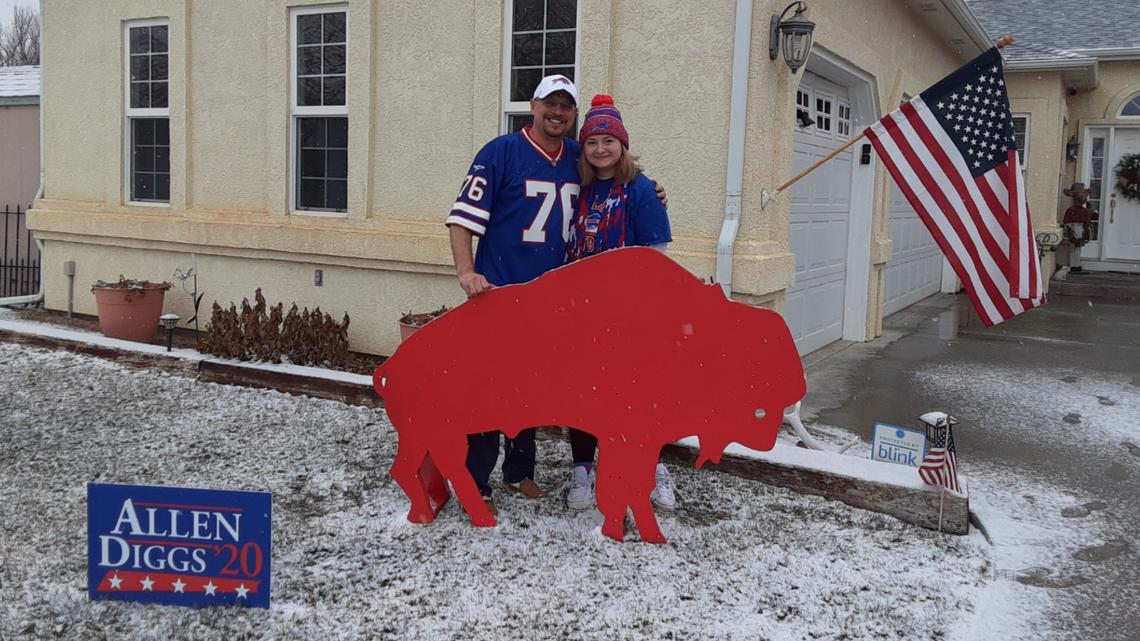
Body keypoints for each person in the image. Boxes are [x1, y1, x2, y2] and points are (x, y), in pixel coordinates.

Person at [562, 94, 677, 512]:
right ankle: (582, 469)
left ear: (622, 145)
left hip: (629, 316)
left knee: (637, 396)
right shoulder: (580, 189)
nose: (600, 149)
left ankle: (653, 468)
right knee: (581, 393)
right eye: (592, 142)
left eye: (609, 141)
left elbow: (656, 255)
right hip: (580, 313)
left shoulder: (641, 189)